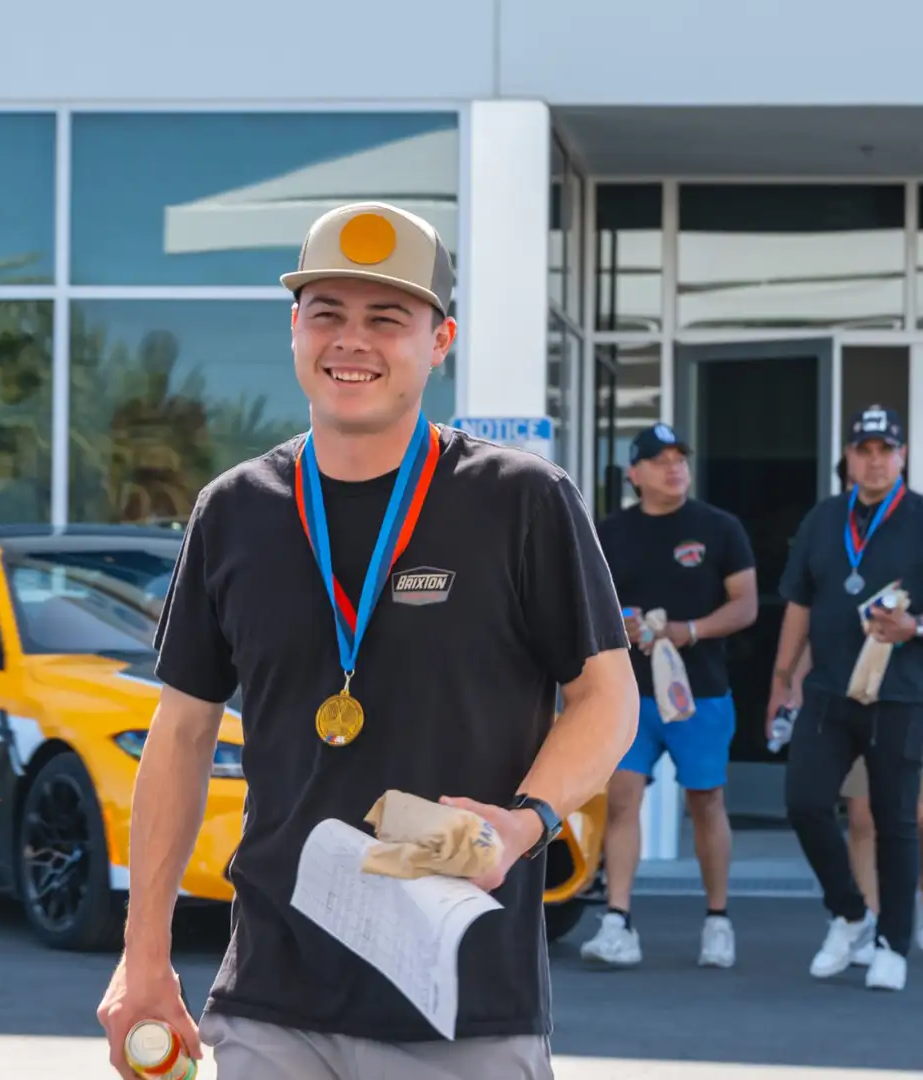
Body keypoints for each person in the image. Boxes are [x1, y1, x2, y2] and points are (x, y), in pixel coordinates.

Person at [94, 201, 638, 1080]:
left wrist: (525, 820)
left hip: (462, 1006)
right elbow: (183, 732)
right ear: (296, 329)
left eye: (387, 318)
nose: (352, 341)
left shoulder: (520, 502)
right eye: (328, 315)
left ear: (440, 340)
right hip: (271, 998)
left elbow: (608, 697)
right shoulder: (234, 511)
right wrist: (144, 956)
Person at [581, 423, 757, 969]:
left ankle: (718, 919)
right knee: (623, 797)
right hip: (630, 693)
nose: (673, 467)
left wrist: (691, 630)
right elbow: (589, 602)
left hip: (699, 692)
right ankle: (618, 920)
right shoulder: (609, 532)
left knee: (705, 800)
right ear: (634, 473)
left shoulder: (719, 527)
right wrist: (622, 627)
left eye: (680, 457)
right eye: (659, 460)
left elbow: (746, 605)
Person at [767, 404, 923, 992]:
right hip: (829, 690)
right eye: (865, 450)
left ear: (902, 456)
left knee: (895, 820)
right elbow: (800, 602)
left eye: (886, 450)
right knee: (805, 801)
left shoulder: (920, 518)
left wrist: (916, 629)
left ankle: (893, 944)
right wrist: (783, 680)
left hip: (901, 694)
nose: (875, 460)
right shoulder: (824, 519)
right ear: (850, 459)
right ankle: (853, 913)